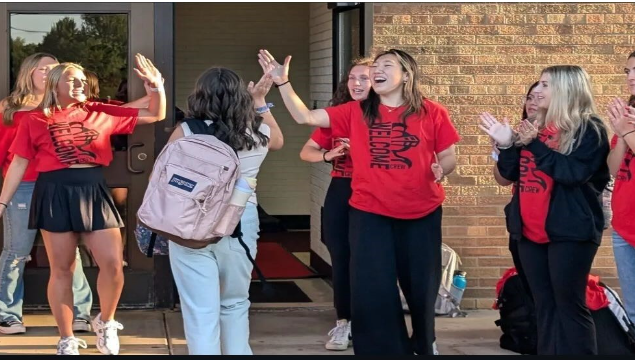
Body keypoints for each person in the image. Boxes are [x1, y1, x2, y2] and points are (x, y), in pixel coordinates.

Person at [259, 48, 459, 355]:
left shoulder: (432, 112)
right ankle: (383, 350)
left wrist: (441, 168)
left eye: (386, 66)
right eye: (375, 66)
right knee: (373, 285)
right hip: (370, 212)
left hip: (422, 211)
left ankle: (424, 341)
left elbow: (448, 155)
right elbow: (305, 117)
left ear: (406, 74)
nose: (377, 70)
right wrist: (283, 83)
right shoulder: (356, 111)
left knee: (420, 283)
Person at [0, 55, 166, 355]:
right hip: (54, 191)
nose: (81, 84)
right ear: (56, 85)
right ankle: (66, 338)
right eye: (73, 79)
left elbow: (155, 114)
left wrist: (156, 87)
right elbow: (18, 164)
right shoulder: (33, 119)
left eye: (83, 79)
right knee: (62, 269)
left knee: (113, 263)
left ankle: (105, 322)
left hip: (92, 188)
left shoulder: (97, 111)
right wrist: (1, 205)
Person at [481, 65, 609, 355]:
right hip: (529, 232)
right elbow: (510, 174)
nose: (536, 91)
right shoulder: (532, 127)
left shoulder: (589, 128)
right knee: (544, 306)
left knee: (569, 305)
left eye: (545, 85)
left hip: (570, 232)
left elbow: (573, 173)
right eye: (538, 84)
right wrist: (506, 145)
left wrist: (534, 144)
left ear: (567, 89)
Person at [0, 53, 94, 335]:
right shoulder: (9, 107)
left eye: (54, 68)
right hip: (22, 186)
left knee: (68, 252)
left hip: (61, 185)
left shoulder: (70, 103)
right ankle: (7, 315)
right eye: (43, 69)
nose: (49, 73)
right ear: (29, 73)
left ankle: (80, 313)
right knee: (16, 251)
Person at [167, 68, 283, 355]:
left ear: (199, 96)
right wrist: (260, 101)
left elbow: (163, 178)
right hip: (240, 222)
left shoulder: (187, 130)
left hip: (191, 223)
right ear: (240, 96)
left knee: (201, 309)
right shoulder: (259, 131)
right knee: (234, 302)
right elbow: (278, 141)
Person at [298, 57, 370, 351]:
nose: (357, 83)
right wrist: (330, 155)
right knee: (341, 258)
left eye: (364, 78)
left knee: (370, 259)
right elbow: (307, 152)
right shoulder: (338, 116)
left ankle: (372, 322)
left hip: (375, 191)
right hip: (342, 188)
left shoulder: (389, 117)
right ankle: (344, 323)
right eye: (352, 78)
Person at [490, 81, 540, 297]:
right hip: (521, 218)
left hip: (549, 219)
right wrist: (501, 150)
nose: (532, 102)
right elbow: (504, 180)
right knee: (529, 285)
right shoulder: (516, 134)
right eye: (529, 97)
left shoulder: (562, 133)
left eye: (540, 96)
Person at [605, 50, 635, 323]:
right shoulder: (628, 113)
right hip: (624, 227)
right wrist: (622, 138)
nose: (631, 77)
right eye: (627, 71)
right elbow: (612, 169)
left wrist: (626, 131)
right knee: (633, 309)